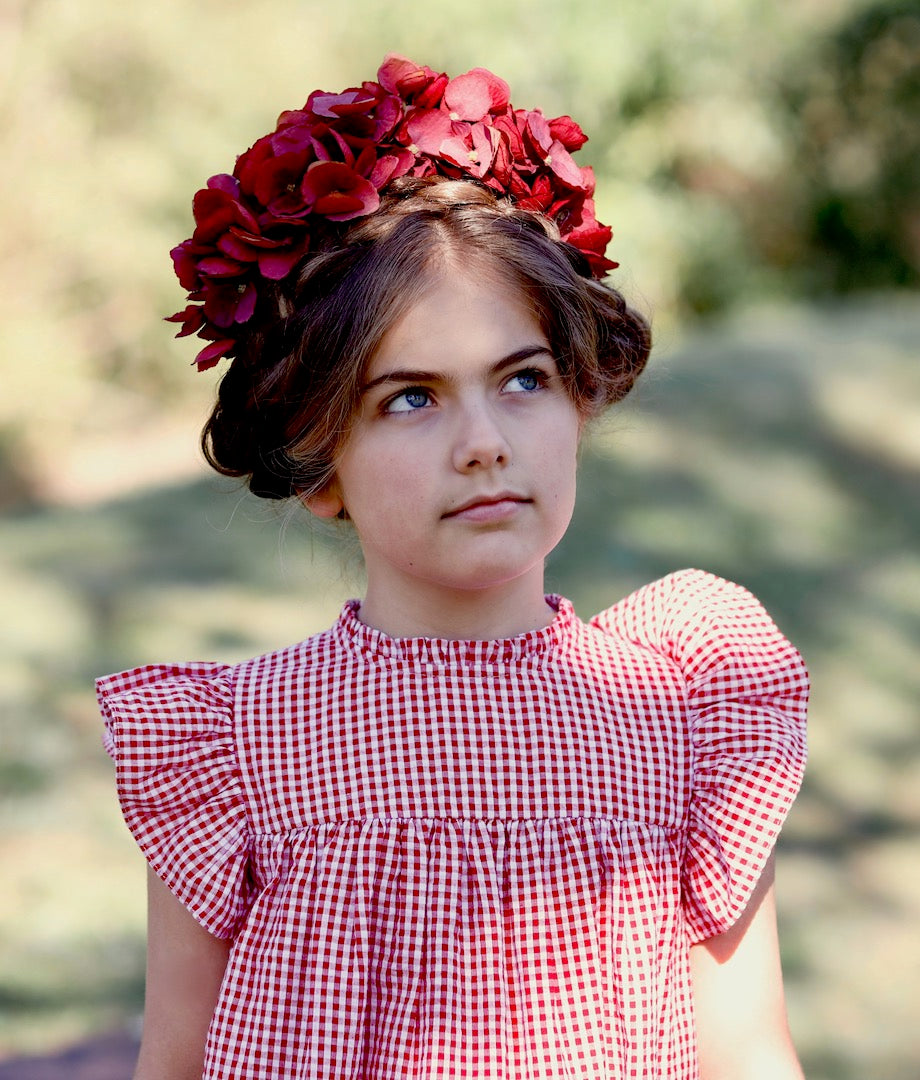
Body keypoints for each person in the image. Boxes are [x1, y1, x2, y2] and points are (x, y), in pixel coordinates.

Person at [98, 55, 809, 1080]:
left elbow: (748, 1053)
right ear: (318, 460)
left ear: (578, 399)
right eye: (411, 399)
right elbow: (176, 1061)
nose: (483, 442)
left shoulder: (690, 712)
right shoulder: (234, 749)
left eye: (521, 380)